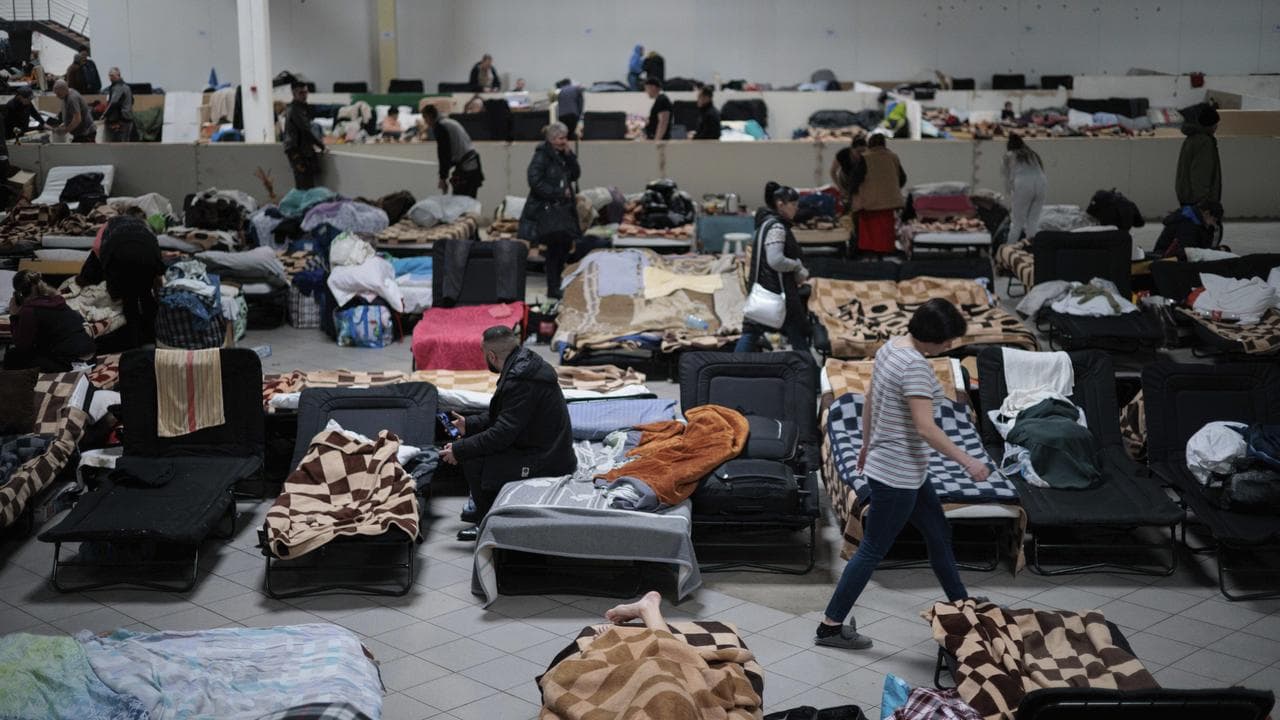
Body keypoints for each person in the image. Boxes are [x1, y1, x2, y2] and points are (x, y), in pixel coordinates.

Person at [816, 299, 989, 650]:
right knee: (872, 549)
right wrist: (967, 461)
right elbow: (926, 428)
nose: (950, 347)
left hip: (907, 468)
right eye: (949, 341)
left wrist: (865, 444)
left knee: (938, 533)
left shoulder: (892, 347)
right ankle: (830, 626)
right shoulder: (915, 368)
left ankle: (961, 604)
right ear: (937, 340)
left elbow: (869, 399)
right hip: (897, 477)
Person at [441, 325, 575, 541]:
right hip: (541, 445)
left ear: (492, 355)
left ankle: (487, 523)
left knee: (472, 457)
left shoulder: (520, 380)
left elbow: (501, 434)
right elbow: (505, 416)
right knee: (472, 445)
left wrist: (459, 449)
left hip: (548, 460)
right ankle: (484, 511)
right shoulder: (524, 364)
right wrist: (470, 424)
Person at [737, 183, 810, 353]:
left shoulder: (765, 223)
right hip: (777, 292)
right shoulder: (777, 227)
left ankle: (734, 369)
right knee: (796, 334)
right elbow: (775, 260)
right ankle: (811, 374)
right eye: (793, 205)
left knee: (751, 332)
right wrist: (797, 265)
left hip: (763, 288)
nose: (796, 209)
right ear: (780, 204)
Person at [518, 122, 580, 297]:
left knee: (563, 248)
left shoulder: (562, 155)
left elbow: (575, 175)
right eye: (561, 138)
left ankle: (557, 285)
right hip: (548, 212)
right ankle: (553, 288)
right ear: (552, 139)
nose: (564, 141)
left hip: (563, 211)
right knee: (553, 250)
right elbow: (534, 181)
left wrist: (570, 157)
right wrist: (558, 192)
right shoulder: (542, 156)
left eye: (565, 138)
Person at [5, 271, 95, 372]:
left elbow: (22, 345)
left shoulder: (29, 310)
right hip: (89, 354)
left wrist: (14, 316)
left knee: (11, 356)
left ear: (20, 294)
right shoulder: (57, 301)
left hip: (67, 361)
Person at [99, 214, 165, 347]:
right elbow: (158, 269)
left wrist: (114, 291)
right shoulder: (146, 228)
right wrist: (159, 297)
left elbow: (104, 259)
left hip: (120, 257)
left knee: (129, 300)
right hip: (147, 256)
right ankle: (153, 337)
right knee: (146, 296)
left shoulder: (109, 228)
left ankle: (135, 342)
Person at [849, 134, 905, 254]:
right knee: (886, 230)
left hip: (869, 204)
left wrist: (851, 197)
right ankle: (886, 250)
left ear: (870, 144)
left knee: (870, 233)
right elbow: (902, 179)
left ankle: (868, 253)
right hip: (890, 202)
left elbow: (855, 180)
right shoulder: (893, 157)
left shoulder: (865, 158)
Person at [422, 105, 484, 198]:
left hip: (466, 167)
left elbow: (444, 153)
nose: (425, 122)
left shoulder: (440, 126)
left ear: (429, 116)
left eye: (425, 118)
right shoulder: (449, 122)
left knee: (460, 202)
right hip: (472, 164)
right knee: (469, 201)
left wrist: (443, 178)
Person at [1002, 133, 1047, 245]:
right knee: (1033, 220)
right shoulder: (1033, 154)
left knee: (1017, 222)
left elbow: (1009, 178)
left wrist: (1011, 196)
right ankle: (1031, 248)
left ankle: (1008, 248)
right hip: (1041, 183)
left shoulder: (1009, 155)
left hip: (1023, 184)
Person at [1176, 103, 1222, 209]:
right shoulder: (1204, 142)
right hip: (1198, 201)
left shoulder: (1191, 139)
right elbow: (1200, 173)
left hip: (1187, 197)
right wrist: (1204, 200)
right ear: (1209, 124)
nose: (1216, 127)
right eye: (1215, 123)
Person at [282, 81, 325, 189]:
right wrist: (321, 146)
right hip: (297, 150)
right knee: (304, 182)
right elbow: (306, 130)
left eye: (306, 92)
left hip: (299, 149)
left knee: (304, 181)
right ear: (294, 93)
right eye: (301, 93)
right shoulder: (296, 110)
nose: (305, 95)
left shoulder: (298, 108)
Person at [1153, 201, 1223, 260]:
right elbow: (1187, 251)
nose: (1213, 224)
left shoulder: (1201, 223)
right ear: (1206, 213)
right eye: (1213, 220)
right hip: (1166, 259)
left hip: (1175, 257)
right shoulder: (1186, 223)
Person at [103, 67, 134, 142]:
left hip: (121, 121)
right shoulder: (126, 86)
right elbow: (132, 100)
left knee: (119, 145)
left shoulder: (118, 87)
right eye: (109, 76)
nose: (110, 78)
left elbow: (113, 103)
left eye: (112, 76)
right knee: (125, 144)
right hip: (128, 119)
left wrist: (104, 115)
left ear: (118, 75)